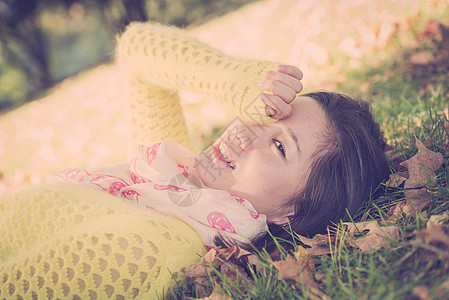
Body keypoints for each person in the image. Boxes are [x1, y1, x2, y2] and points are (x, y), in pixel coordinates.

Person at [0, 22, 390, 298]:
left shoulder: (147, 246)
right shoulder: (170, 186)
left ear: (293, 213)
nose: (247, 131)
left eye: (280, 146)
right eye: (264, 114)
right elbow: (138, 49)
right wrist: (237, 79)